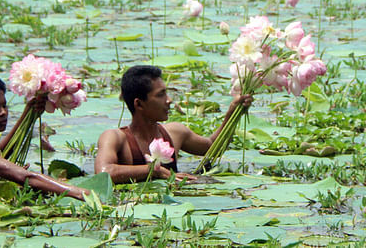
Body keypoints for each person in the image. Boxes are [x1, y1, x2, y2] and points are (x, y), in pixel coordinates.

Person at [95, 65, 252, 184]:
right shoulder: (115, 138)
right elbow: (103, 173)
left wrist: (233, 112)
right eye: (161, 95)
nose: (169, 100)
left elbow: (212, 147)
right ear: (139, 104)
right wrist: (154, 171)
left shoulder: (175, 132)